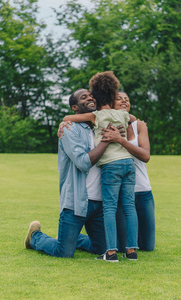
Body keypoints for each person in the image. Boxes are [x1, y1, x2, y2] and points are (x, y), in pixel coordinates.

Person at [24, 88, 113, 258]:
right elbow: (83, 162)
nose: (90, 98)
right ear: (75, 107)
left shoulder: (99, 127)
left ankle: (72, 238)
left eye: (91, 95)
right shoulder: (69, 129)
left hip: (99, 202)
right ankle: (35, 237)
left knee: (102, 249)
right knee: (63, 252)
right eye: (83, 97)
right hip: (76, 201)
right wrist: (107, 140)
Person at [63, 72, 139, 262]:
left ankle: (111, 252)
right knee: (129, 206)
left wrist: (64, 122)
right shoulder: (123, 114)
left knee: (110, 209)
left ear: (96, 95)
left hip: (111, 166)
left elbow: (68, 117)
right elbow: (134, 118)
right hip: (128, 163)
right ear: (113, 94)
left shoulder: (96, 116)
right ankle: (131, 251)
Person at [104, 91, 156, 252]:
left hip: (142, 192)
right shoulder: (107, 124)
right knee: (120, 247)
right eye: (119, 98)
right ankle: (77, 238)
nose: (124, 101)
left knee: (147, 247)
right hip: (121, 193)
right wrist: (64, 122)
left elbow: (145, 156)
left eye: (127, 99)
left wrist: (120, 140)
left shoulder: (139, 125)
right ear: (111, 103)